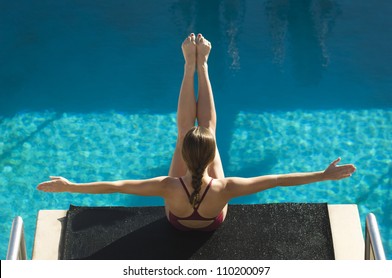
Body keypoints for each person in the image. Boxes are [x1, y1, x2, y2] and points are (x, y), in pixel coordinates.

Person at [37, 33, 356, 231]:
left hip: (176, 220)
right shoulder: (225, 187)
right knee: (207, 129)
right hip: (212, 218)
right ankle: (200, 66)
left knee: (186, 130)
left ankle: (192, 66)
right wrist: (323, 176)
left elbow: (115, 186)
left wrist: (70, 186)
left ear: (185, 157)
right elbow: (278, 181)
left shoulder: (167, 186)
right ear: (209, 155)